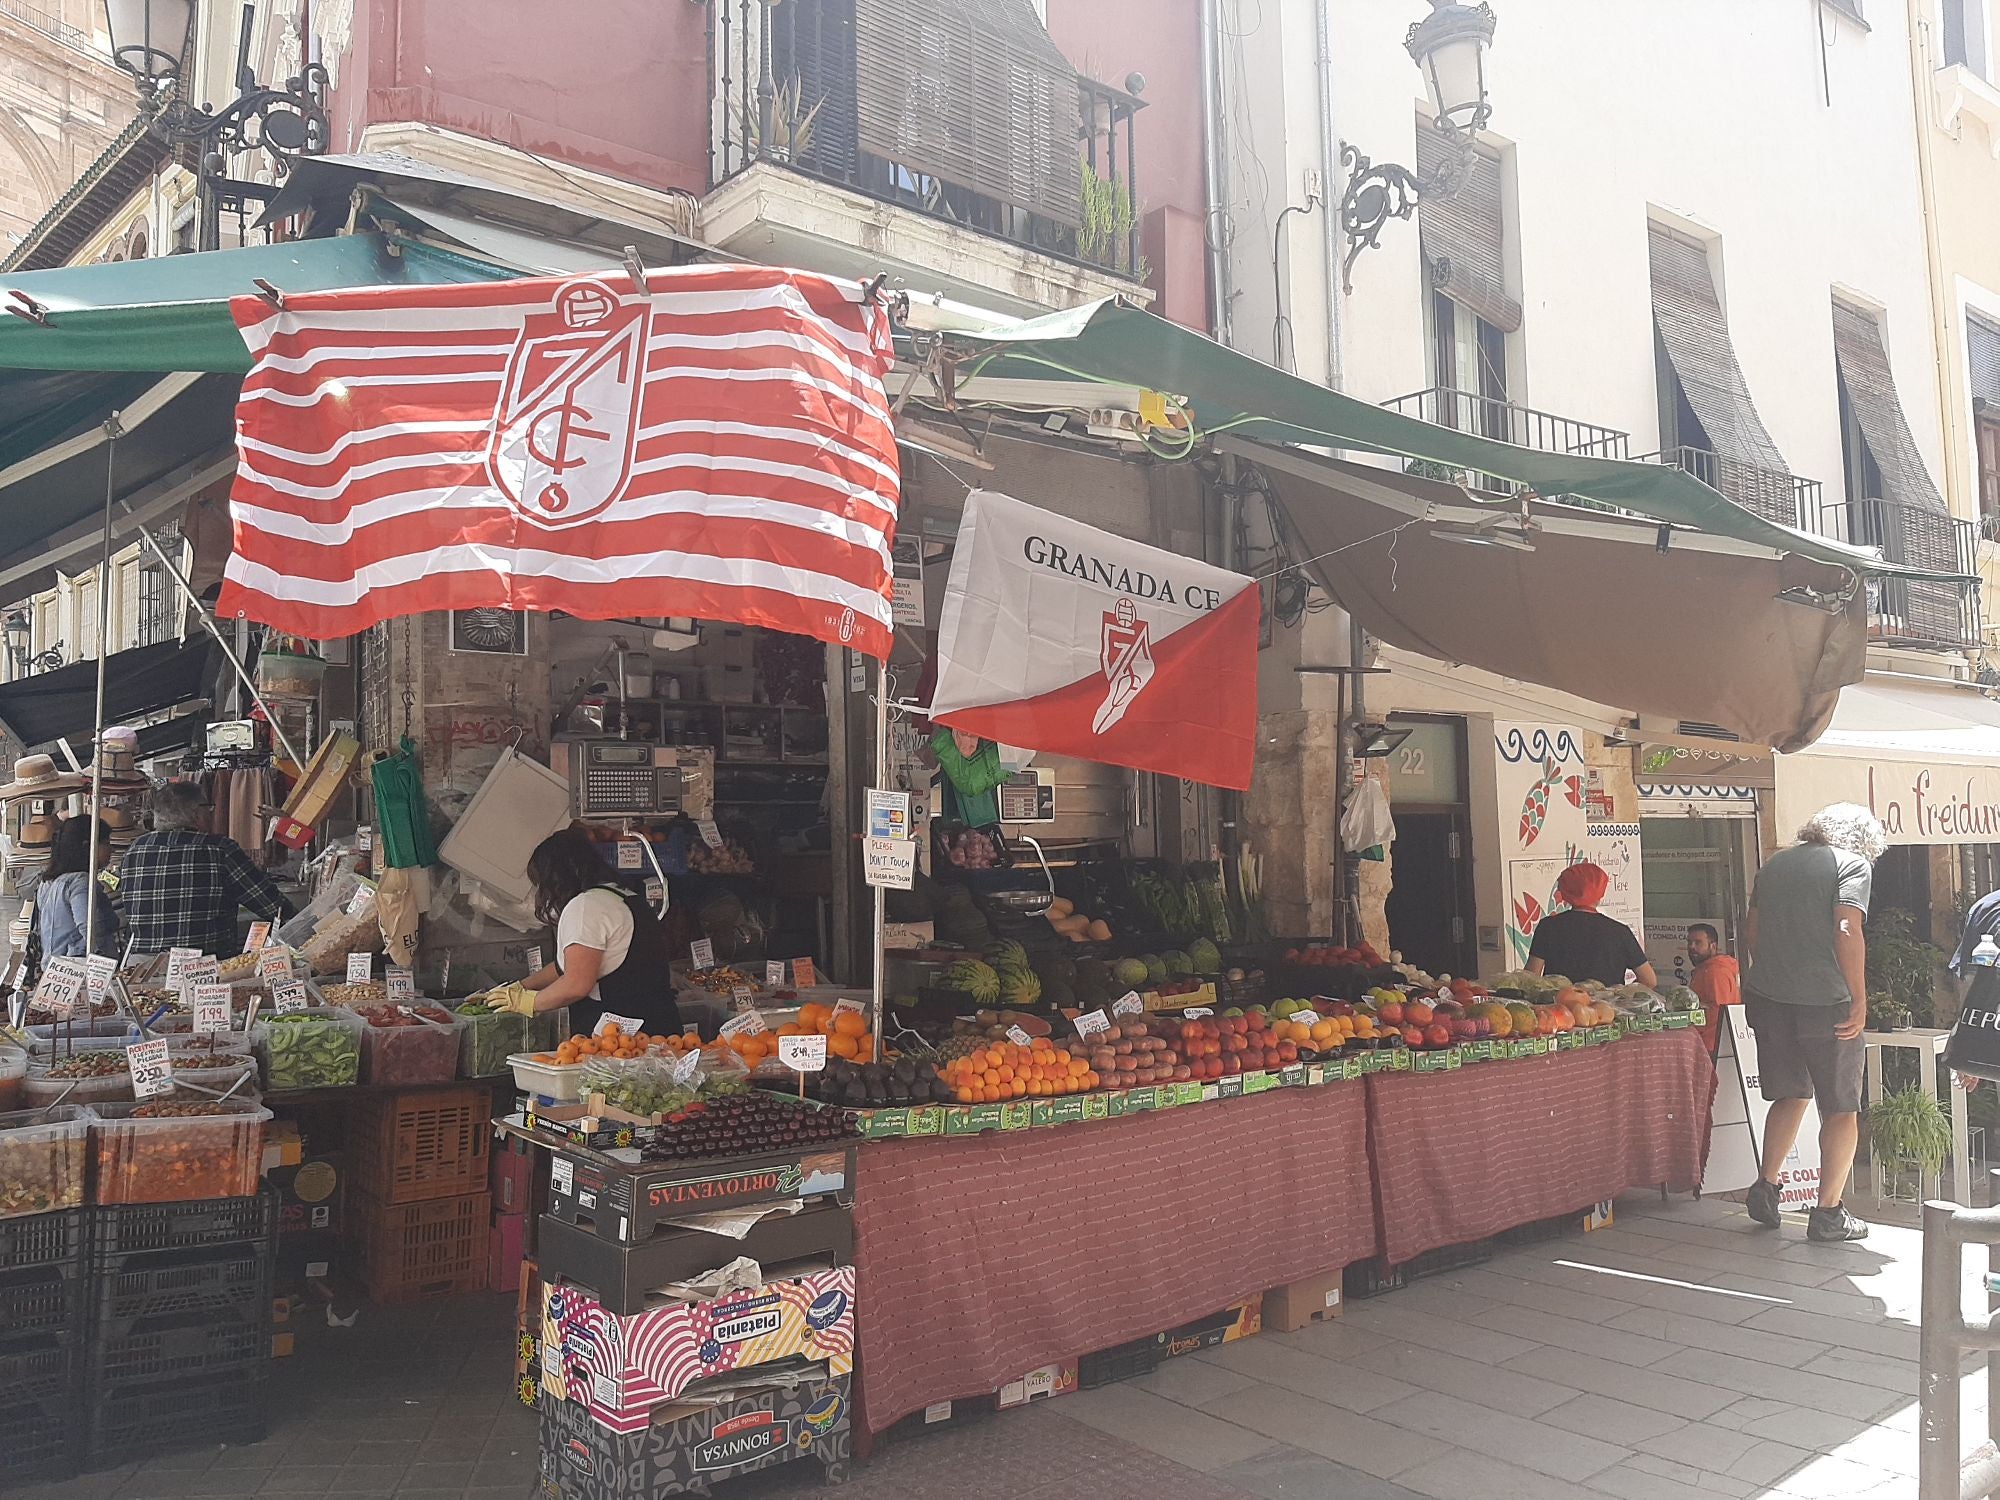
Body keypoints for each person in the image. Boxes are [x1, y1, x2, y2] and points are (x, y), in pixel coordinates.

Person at [1742, 802, 1885, 1244]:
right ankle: (1828, 1213)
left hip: (1770, 997)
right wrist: (1859, 999)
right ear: (1864, 840)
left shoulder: (1777, 863)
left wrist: (1771, 973)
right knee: (1842, 1107)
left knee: (1790, 1094)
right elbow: (1847, 929)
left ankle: (1766, 1187)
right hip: (1827, 1002)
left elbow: (1753, 929)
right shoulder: (1851, 865)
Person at [485, 827, 682, 1037]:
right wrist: (521, 986)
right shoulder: (622, 896)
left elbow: (576, 984)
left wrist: (526, 1002)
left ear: (554, 877)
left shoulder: (585, 907)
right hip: (660, 1028)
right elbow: (573, 965)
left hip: (620, 1037)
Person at [119, 780, 293, 956]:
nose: (211, 813)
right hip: (201, 967)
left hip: (140, 966)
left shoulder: (136, 849)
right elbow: (271, 905)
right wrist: (306, 923)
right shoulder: (218, 849)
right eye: (209, 808)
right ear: (197, 813)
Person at [1526, 862, 1659, 988]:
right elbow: (1649, 980)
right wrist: (1621, 996)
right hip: (1607, 1010)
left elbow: (1530, 978)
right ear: (1601, 892)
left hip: (1560, 1009)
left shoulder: (1548, 927)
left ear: (1565, 892)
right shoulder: (1620, 932)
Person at [33, 816, 120, 961]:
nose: (112, 849)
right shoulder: (80, 882)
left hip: (54, 968)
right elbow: (90, 929)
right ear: (88, 846)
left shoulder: (47, 882)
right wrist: (104, 964)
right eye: (106, 843)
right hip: (80, 969)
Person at [1688, 922, 1741, 1056]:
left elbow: (1718, 1011)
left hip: (1711, 1045)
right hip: (1713, 1044)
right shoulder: (1706, 969)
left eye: (1698, 943)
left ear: (1713, 946)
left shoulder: (1715, 972)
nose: (1692, 947)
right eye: (1689, 942)